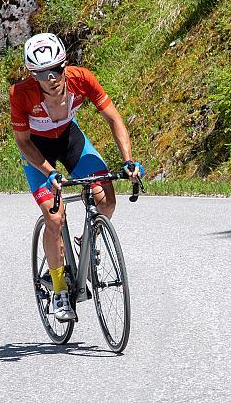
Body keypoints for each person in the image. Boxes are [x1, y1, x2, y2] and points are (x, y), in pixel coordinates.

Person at [9, 33, 144, 321]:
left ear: (65, 65)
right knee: (55, 218)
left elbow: (114, 119)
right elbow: (23, 143)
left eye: (56, 69)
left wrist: (128, 161)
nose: (52, 78)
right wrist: (49, 172)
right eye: (43, 74)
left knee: (105, 199)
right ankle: (59, 288)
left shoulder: (82, 79)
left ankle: (86, 242)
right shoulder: (22, 94)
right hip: (37, 148)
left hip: (70, 138)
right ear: (33, 75)